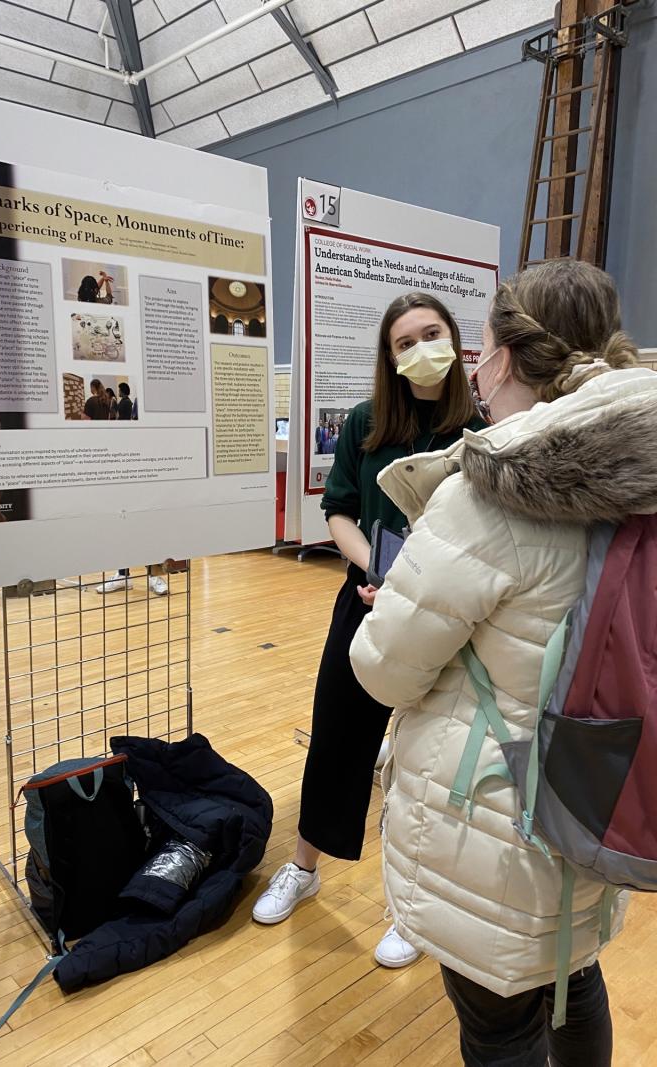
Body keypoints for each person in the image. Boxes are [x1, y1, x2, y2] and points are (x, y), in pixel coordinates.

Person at [350, 259, 648, 1064]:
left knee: (498, 1019)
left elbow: (384, 668)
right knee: (568, 969)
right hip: (596, 782)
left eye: (477, 347)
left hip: (494, 807)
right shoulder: (642, 474)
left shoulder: (490, 493)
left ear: (507, 359)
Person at [252, 293, 484, 969]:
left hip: (450, 618)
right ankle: (304, 864)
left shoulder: (480, 429)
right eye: (403, 341)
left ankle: (415, 904)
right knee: (338, 737)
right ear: (389, 356)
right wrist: (375, 568)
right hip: (369, 600)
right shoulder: (363, 423)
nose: (419, 350)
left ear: (455, 339)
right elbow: (340, 512)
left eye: (431, 333)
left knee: (427, 756)